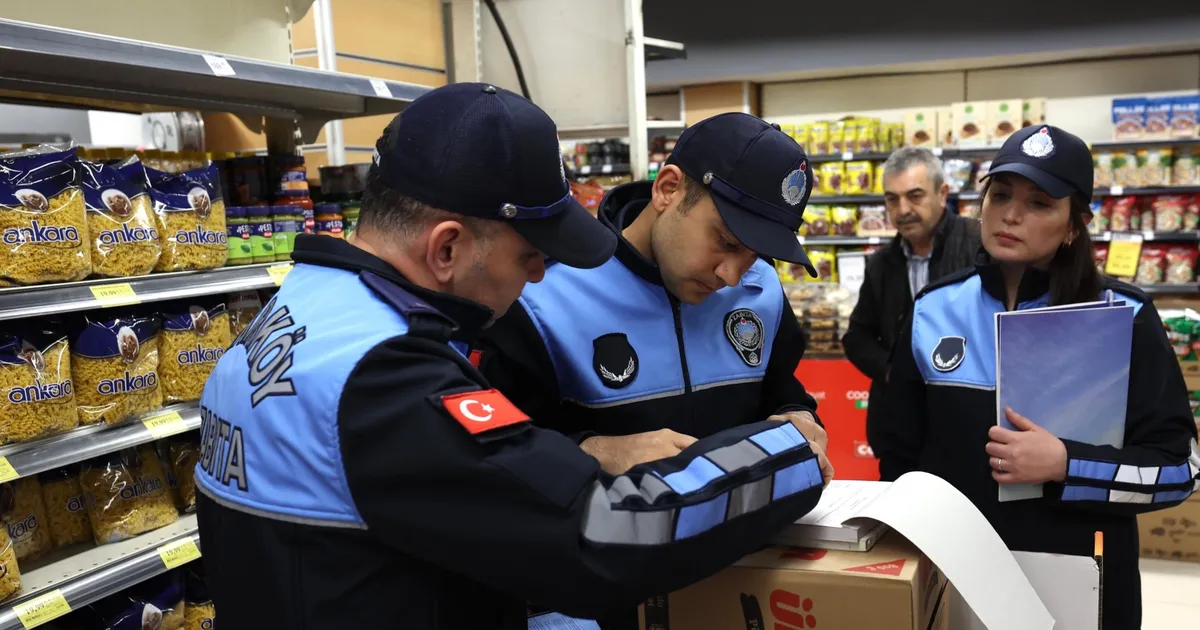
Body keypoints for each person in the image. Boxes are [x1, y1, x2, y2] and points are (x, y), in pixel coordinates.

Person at [193, 83, 827, 630]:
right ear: (447, 247)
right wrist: (793, 458)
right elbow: (604, 532)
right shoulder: (384, 377)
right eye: (529, 256)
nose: (538, 278)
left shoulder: (302, 312)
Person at [475, 113, 833, 627]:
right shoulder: (541, 296)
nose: (733, 276)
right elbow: (490, 460)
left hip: (736, 588)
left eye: (755, 256)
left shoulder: (763, 292)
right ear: (668, 189)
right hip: (600, 601)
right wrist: (592, 450)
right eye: (727, 242)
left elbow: (782, 389)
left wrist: (797, 416)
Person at [877, 124, 1200, 629]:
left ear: (1075, 224)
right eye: (1000, 195)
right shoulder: (932, 310)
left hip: (1083, 582)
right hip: (956, 581)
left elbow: (1178, 472)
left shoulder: (1125, 316)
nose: (1010, 214)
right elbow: (897, 458)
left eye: (1040, 202)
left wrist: (1068, 464)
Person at [841, 147, 980, 469]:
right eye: (892, 199)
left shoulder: (979, 247)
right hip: (900, 432)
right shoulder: (881, 263)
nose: (903, 209)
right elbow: (857, 335)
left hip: (966, 428)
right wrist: (894, 370)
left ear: (942, 193)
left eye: (915, 196)